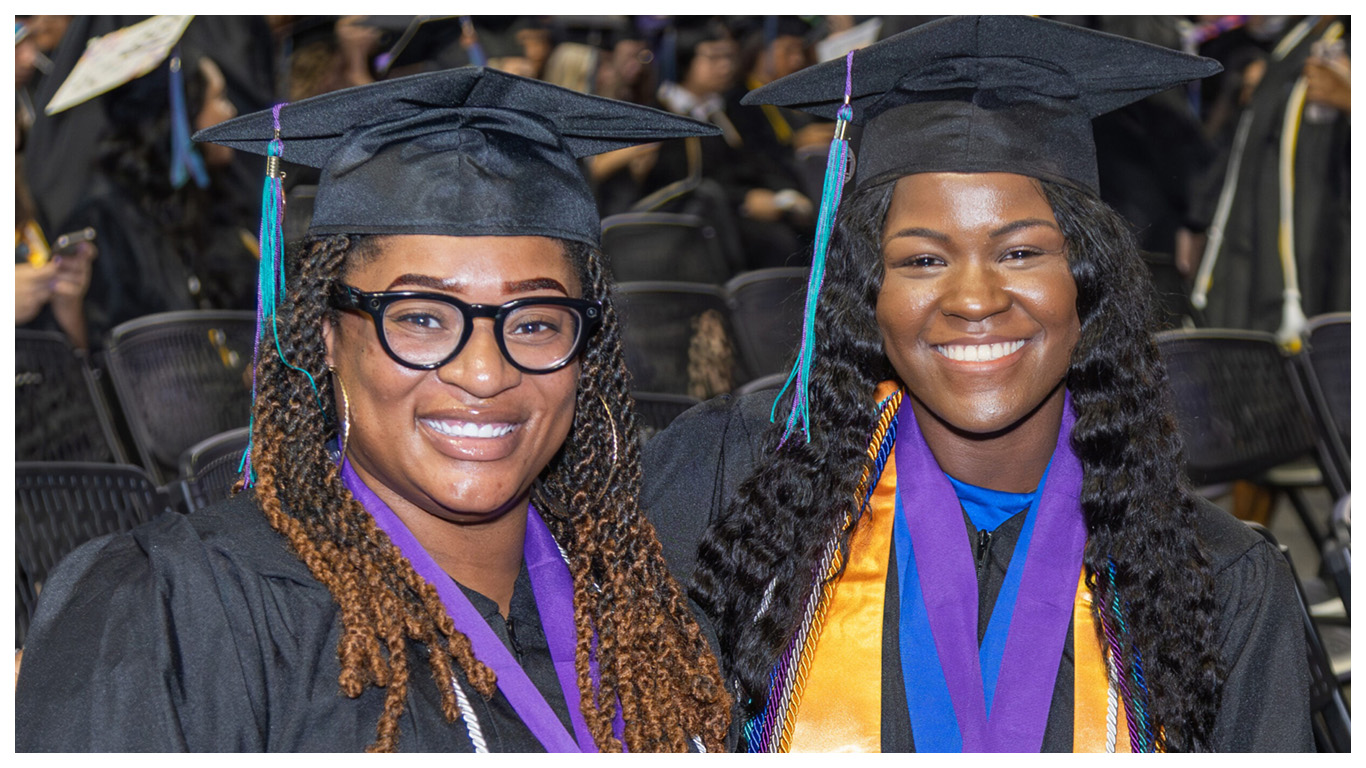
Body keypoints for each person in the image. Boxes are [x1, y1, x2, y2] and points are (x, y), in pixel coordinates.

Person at [643, 16, 1312, 752]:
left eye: (1020, 252)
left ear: (1089, 280)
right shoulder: (738, 497)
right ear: (867, 291)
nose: (974, 299)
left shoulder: (1210, 581)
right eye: (923, 260)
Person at [16, 67, 730, 752]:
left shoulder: (646, 619)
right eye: (420, 318)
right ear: (326, 336)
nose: (485, 372)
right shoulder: (191, 612)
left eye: (535, 323)